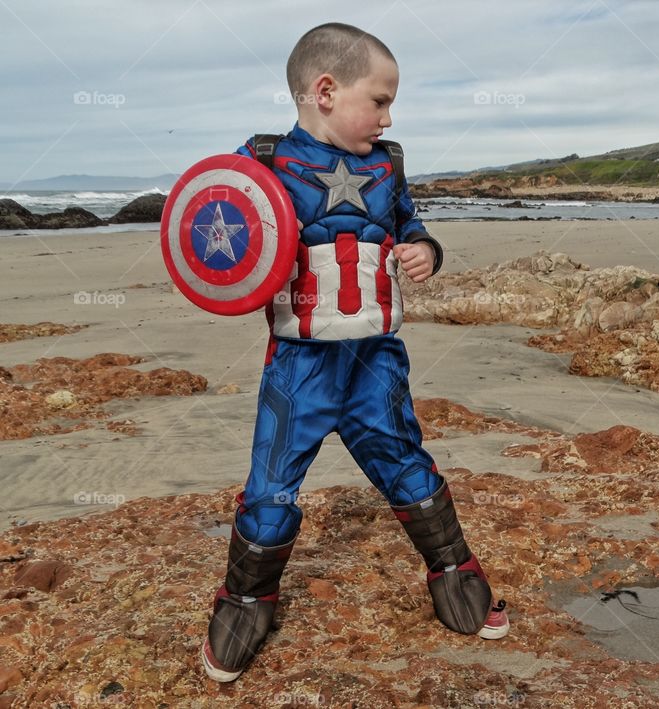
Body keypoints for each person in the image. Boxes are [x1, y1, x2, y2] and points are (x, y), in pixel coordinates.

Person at [201, 22, 509, 683]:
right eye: (380, 99)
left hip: (377, 360)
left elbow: (411, 226)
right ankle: (247, 597)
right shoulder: (260, 161)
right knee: (272, 483)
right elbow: (211, 225)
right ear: (325, 91)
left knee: (406, 464)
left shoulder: (388, 163)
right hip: (299, 366)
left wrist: (427, 251)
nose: (388, 115)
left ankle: (453, 567)